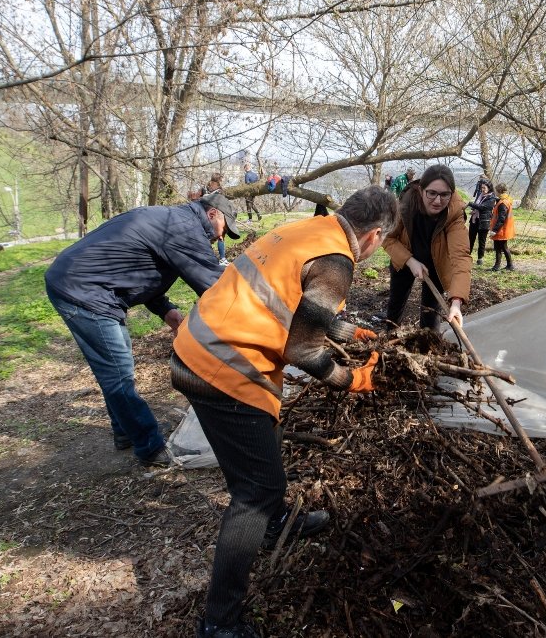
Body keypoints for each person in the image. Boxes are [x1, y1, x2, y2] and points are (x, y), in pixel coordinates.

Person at [171, 187, 397, 638]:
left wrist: (350, 332)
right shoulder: (338, 261)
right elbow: (301, 349)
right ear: (374, 235)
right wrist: (352, 381)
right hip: (223, 368)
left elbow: (294, 301)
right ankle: (219, 622)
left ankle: (275, 525)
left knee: (265, 444)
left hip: (197, 348)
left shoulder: (310, 230)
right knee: (253, 494)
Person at [44, 192, 241, 467]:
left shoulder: (171, 220)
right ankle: (150, 448)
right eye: (224, 230)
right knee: (117, 373)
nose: (221, 238)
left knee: (116, 368)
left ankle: (126, 432)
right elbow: (213, 285)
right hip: (83, 290)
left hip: (86, 284)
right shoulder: (184, 227)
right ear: (212, 214)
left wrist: (166, 310)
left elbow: (138, 268)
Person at [383, 164, 471, 330]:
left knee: (431, 312)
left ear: (451, 194)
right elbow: (387, 238)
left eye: (445, 194)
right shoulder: (405, 206)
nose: (438, 201)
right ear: (421, 189)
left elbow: (461, 257)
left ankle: (429, 346)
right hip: (404, 259)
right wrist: (410, 261)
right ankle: (389, 341)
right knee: (396, 303)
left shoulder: (454, 214)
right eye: (431, 193)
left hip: (436, 264)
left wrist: (456, 301)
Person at [467, 180, 496, 265]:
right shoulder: (480, 195)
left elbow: (482, 207)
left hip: (484, 222)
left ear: (489, 188)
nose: (482, 189)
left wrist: (469, 203)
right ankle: (467, 256)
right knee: (470, 239)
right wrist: (473, 211)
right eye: (481, 187)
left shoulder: (492, 198)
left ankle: (480, 258)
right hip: (474, 220)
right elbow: (477, 205)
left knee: (481, 241)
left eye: (484, 187)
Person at [489, 183, 516, 270]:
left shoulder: (502, 203)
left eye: (496, 190)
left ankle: (497, 266)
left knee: (498, 248)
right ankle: (509, 265)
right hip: (505, 229)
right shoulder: (506, 199)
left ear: (499, 191)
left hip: (501, 230)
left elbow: (501, 219)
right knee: (504, 247)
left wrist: (494, 230)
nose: (495, 192)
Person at [207, 173, 229, 265]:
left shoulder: (208, 188)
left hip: (210, 216)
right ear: (218, 180)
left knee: (210, 238)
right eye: (221, 179)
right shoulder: (218, 191)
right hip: (216, 217)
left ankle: (210, 258)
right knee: (220, 237)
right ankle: (222, 259)